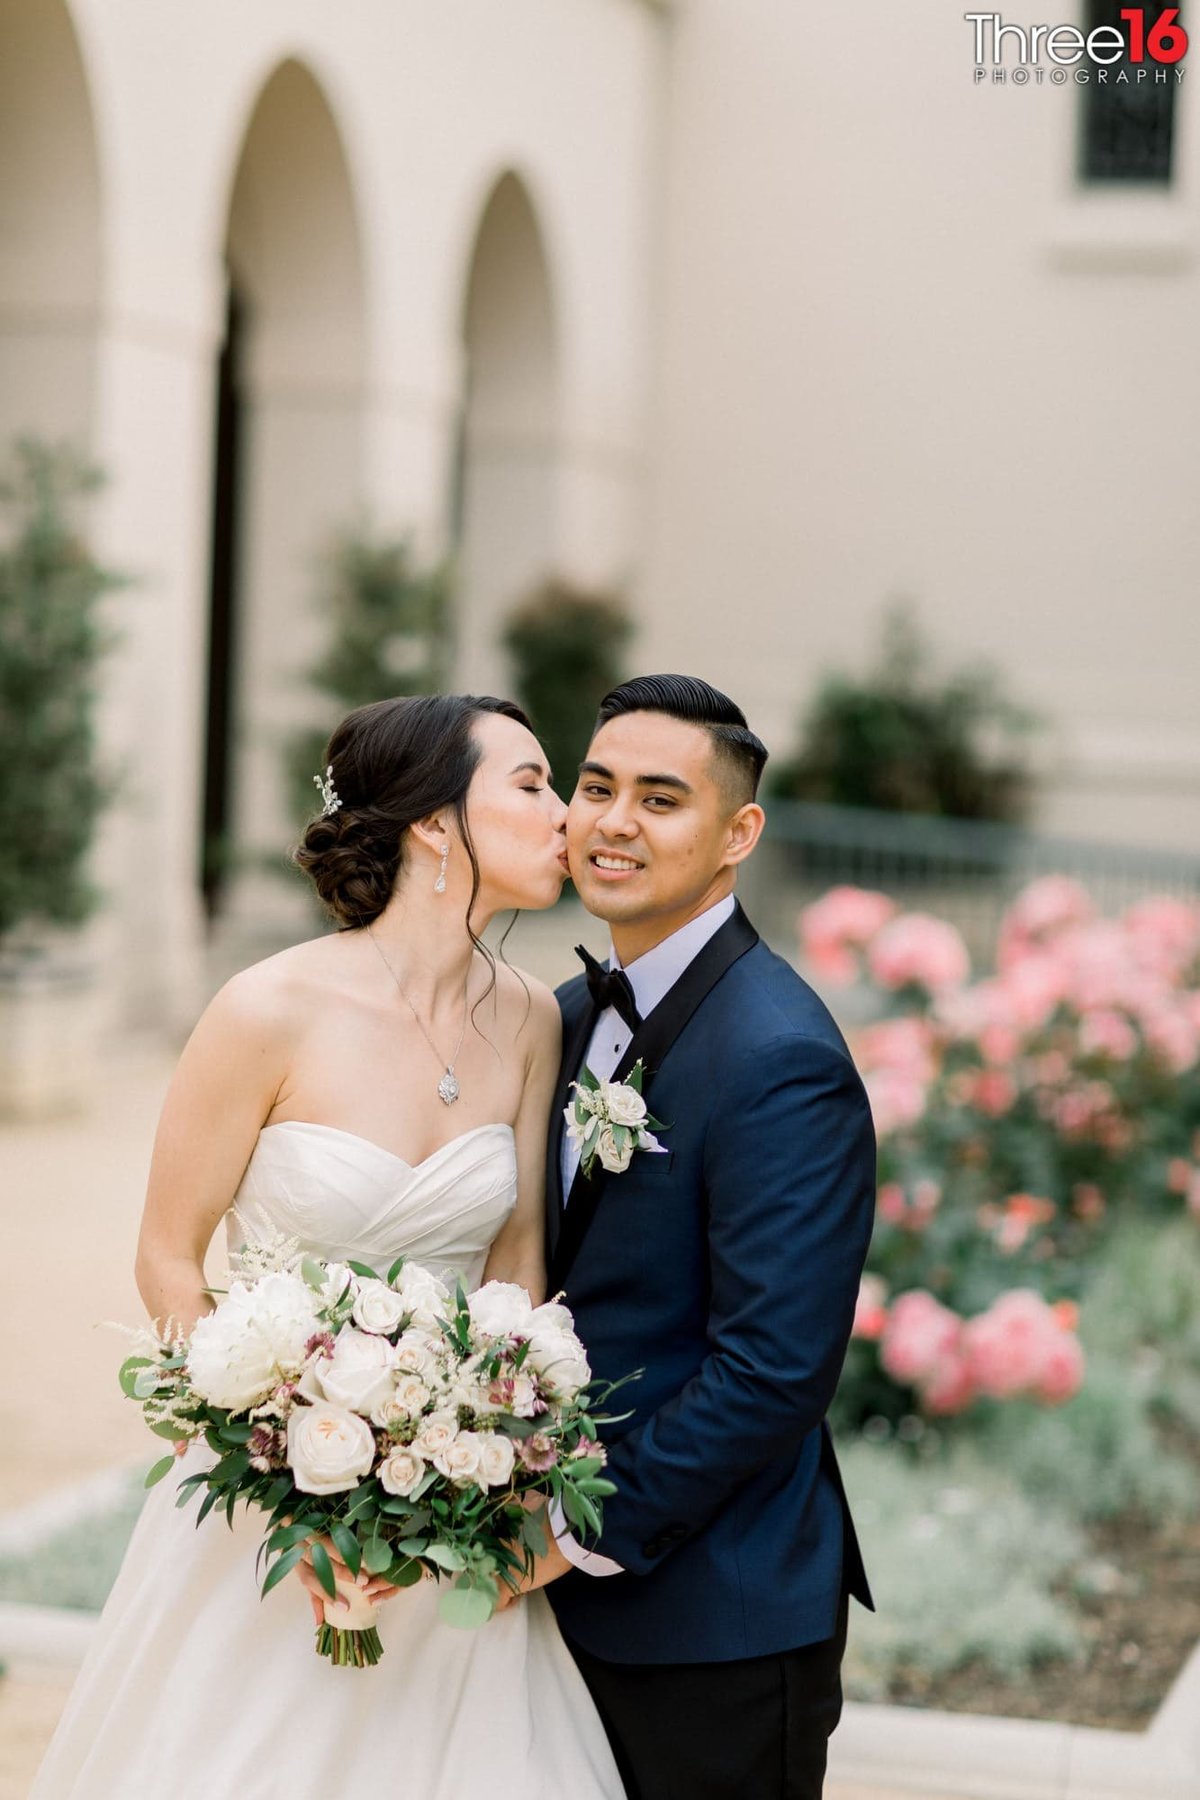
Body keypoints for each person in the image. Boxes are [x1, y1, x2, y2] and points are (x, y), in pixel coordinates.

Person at [32, 694, 625, 1800]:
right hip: (265, 1509)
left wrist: (499, 1456)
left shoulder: (533, 1018)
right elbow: (168, 1256)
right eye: (533, 784)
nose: (566, 815)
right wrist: (275, 1476)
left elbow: (518, 1269)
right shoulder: (266, 1008)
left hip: (453, 1506)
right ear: (437, 826)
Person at [506, 673, 877, 1800]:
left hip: (714, 1623)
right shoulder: (563, 1017)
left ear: (737, 834)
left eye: (660, 800)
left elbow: (772, 1371)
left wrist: (563, 1533)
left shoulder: (780, 1057)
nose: (613, 822)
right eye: (596, 786)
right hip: (556, 1618)